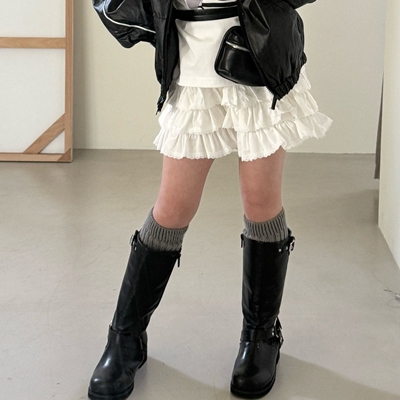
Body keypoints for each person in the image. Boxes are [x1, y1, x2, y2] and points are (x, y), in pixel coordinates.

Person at [88, 0, 332, 399]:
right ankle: (125, 338)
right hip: (190, 58)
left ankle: (261, 335)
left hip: (258, 51)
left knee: (260, 202)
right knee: (172, 208)